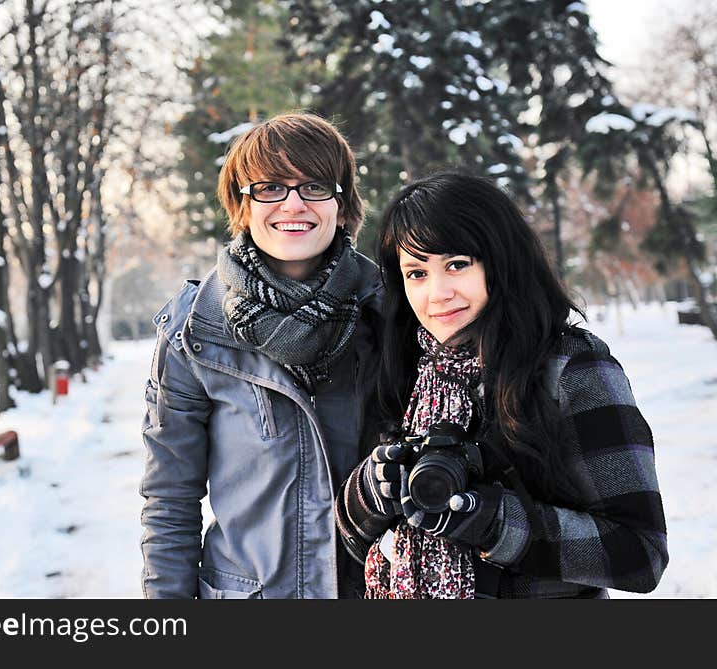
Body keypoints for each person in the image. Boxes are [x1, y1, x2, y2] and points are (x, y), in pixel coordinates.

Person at [335, 171, 668, 599]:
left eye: (456, 265)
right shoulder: (405, 369)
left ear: (500, 261)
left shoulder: (570, 367)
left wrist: (495, 524)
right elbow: (352, 541)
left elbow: (641, 555)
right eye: (416, 273)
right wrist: (371, 487)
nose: (437, 293)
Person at [140, 112, 384, 599]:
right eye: (270, 187)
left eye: (315, 186)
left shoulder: (389, 312)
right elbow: (170, 500)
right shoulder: (194, 328)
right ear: (243, 204)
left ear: (341, 202)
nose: (293, 203)